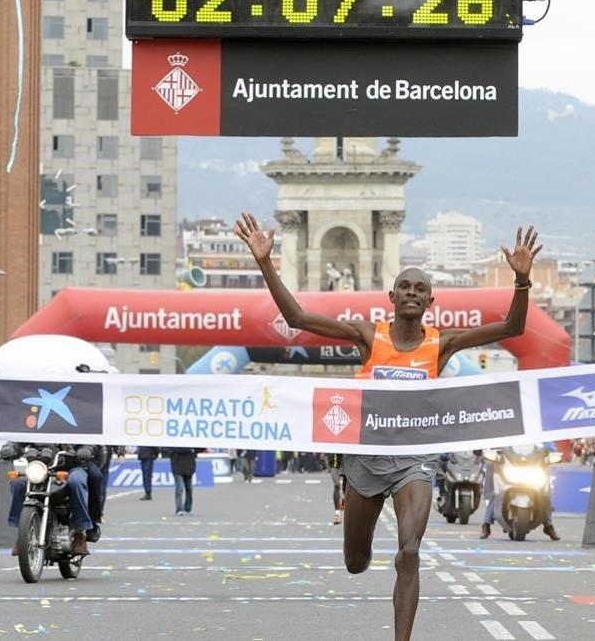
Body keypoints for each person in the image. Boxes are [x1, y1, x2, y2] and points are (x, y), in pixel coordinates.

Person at [236, 212, 542, 641]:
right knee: (355, 563)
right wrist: (266, 262)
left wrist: (522, 281)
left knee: (410, 551)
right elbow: (299, 318)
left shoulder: (443, 344)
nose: (413, 293)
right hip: (366, 458)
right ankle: (361, 536)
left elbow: (512, 327)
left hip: (414, 460)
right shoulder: (367, 336)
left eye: (421, 289)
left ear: (430, 302)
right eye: (406, 287)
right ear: (392, 297)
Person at [1, 442, 97, 556]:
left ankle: (80, 532)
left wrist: (86, 449)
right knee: (18, 483)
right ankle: (23, 534)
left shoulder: (77, 425)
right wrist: (11, 447)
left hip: (72, 466)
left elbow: (90, 437)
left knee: (77, 482)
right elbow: (20, 436)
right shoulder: (37, 426)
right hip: (40, 467)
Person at [166, 446, 201, 515]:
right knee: (179, 488)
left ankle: (188, 508)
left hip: (189, 466)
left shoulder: (191, 442)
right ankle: (179, 509)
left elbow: (200, 448)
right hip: (177, 466)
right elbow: (170, 449)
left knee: (189, 489)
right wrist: (190, 449)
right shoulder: (173, 441)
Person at [328, 452, 345, 524]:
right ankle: (337, 514)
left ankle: (344, 502)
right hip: (335, 466)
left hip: (348, 465)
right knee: (337, 484)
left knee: (348, 487)